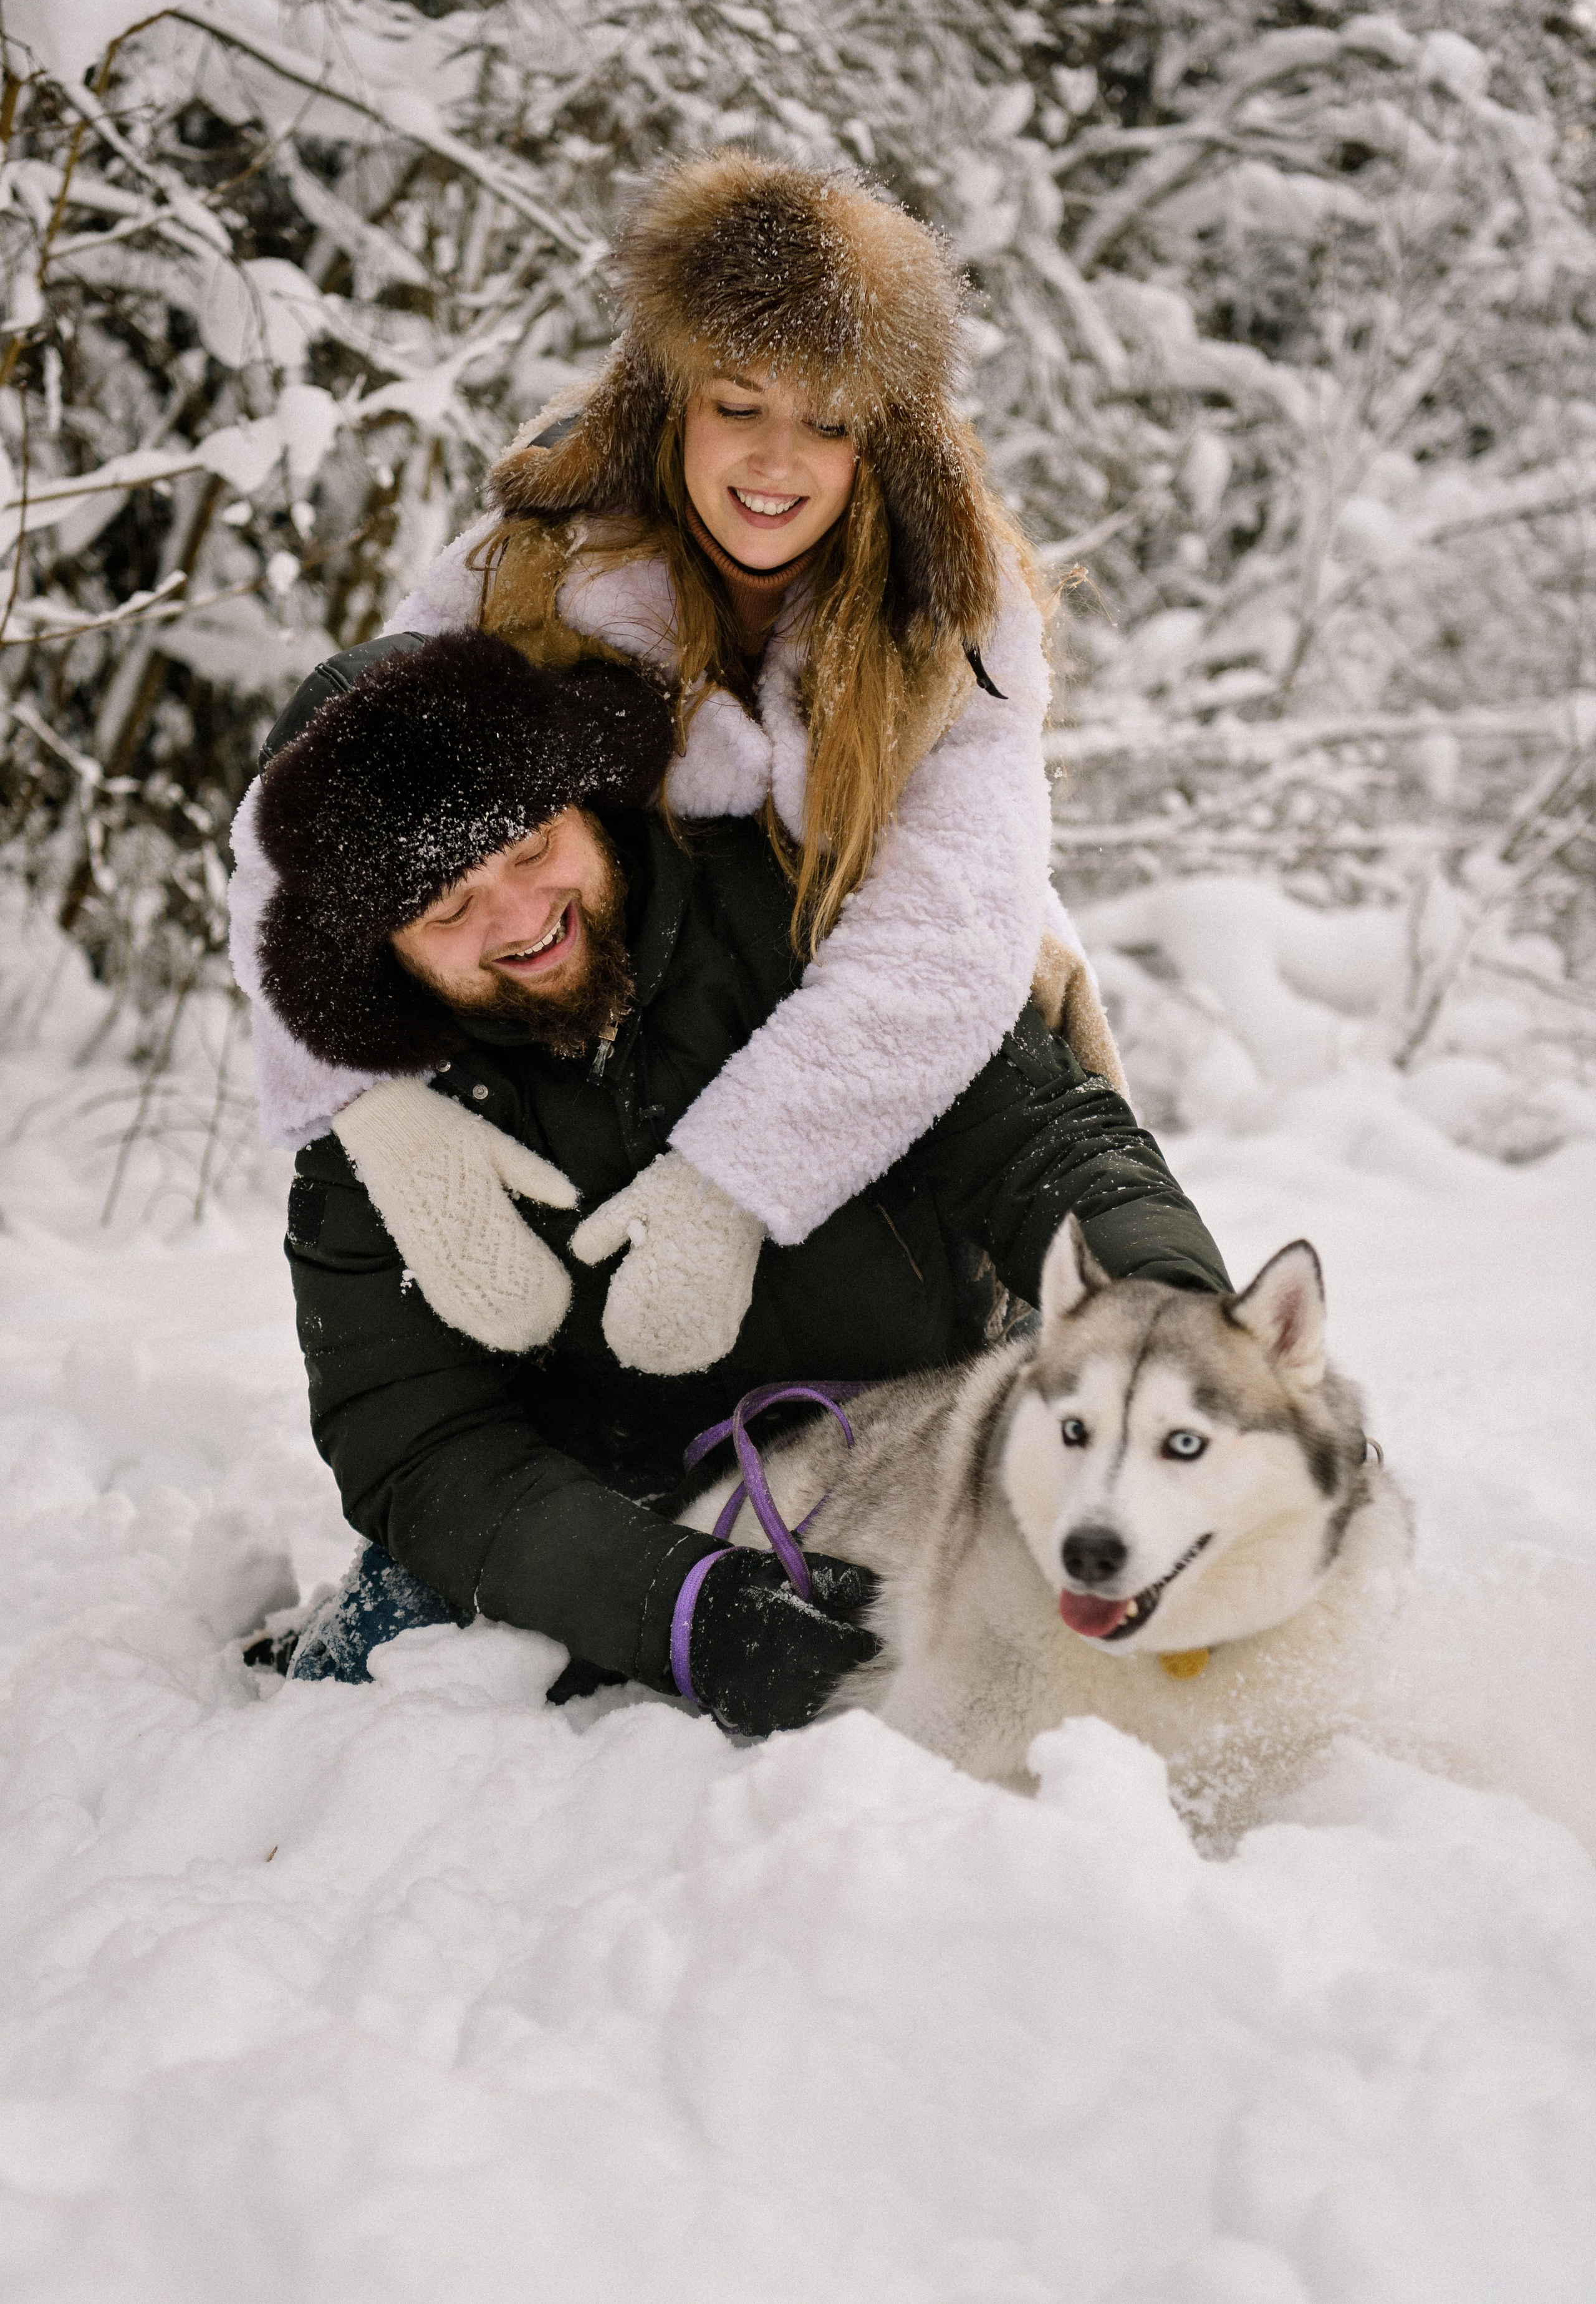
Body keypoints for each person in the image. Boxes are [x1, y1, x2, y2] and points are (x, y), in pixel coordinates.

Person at [229, 153, 1127, 1380]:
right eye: (739, 403)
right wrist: (370, 1108)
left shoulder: (950, 612)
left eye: (828, 420)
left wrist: (729, 1183)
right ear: (672, 399)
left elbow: (940, 937)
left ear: (884, 439)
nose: (775, 460)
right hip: (605, 997)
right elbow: (322, 801)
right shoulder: (537, 560)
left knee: (1024, 1004)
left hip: (868, 979)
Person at [248, 630, 1230, 1735]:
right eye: (446, 908)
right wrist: (683, 1608)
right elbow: (416, 1444)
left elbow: (1043, 1144)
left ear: (585, 797)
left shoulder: (808, 914)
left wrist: (1191, 1340)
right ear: (380, 949)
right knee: (401, 1689)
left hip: (906, 1434)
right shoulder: (369, 1134)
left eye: (529, 849)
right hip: (601, 1513)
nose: (519, 920)